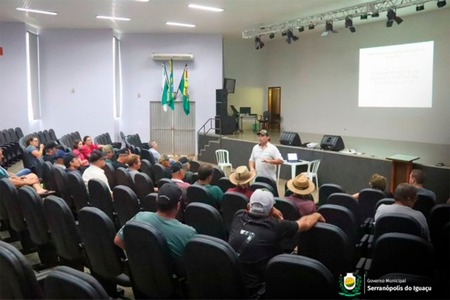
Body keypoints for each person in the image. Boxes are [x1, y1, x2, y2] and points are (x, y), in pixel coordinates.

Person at [228, 189, 325, 297]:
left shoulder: (238, 216)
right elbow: (305, 223)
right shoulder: (275, 226)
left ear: (249, 206)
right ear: (270, 211)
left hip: (232, 283)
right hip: (255, 290)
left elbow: (247, 209)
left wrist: (271, 210)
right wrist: (316, 215)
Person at [114, 183, 197, 274]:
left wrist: (139, 258)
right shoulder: (188, 233)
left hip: (143, 274)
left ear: (156, 200)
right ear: (178, 205)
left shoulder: (140, 217)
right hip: (171, 281)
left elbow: (118, 240)